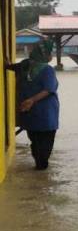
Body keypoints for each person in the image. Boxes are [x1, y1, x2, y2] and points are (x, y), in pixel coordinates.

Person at [7, 40, 60, 170]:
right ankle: (42, 173)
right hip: (46, 114)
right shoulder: (47, 70)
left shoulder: (24, 65)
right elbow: (48, 89)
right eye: (49, 53)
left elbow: (8, 66)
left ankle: (39, 170)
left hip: (29, 114)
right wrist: (32, 100)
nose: (51, 56)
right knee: (46, 144)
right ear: (44, 54)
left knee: (35, 142)